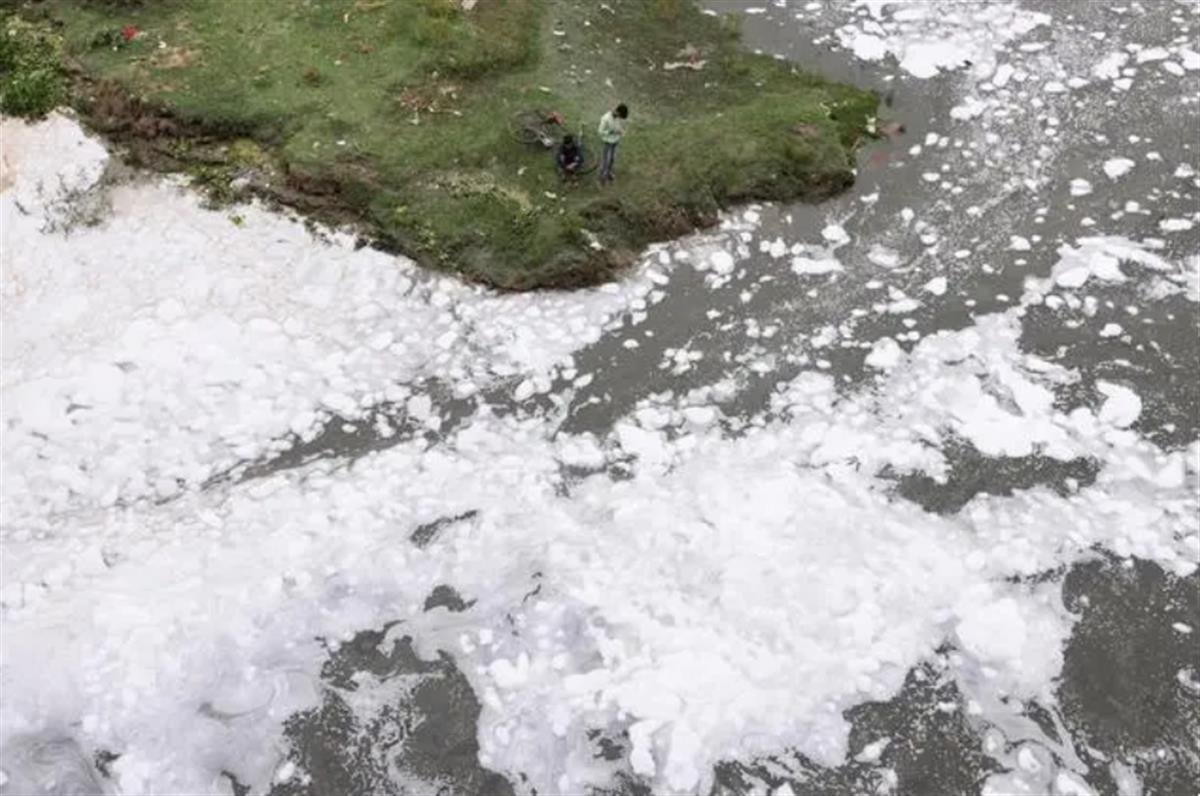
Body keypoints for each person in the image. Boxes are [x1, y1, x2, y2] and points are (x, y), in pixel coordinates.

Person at [597, 103, 628, 183]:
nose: (619, 118)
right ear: (618, 112)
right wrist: (610, 132)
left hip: (615, 141)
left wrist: (621, 131)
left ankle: (608, 172)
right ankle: (602, 175)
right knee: (606, 159)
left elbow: (617, 126)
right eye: (620, 116)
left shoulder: (617, 117)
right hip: (607, 142)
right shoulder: (605, 118)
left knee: (612, 159)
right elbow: (600, 131)